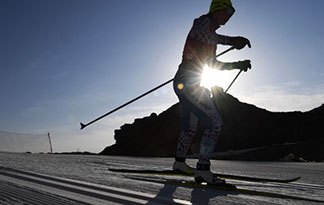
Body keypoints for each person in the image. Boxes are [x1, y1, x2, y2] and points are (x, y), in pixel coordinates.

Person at [172, 0, 252, 185]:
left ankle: (179, 163)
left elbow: (212, 64)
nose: (229, 16)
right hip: (188, 83)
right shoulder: (202, 22)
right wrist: (232, 40)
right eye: (228, 11)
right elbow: (203, 35)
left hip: (188, 83)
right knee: (215, 122)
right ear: (216, 9)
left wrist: (236, 65)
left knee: (190, 128)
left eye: (232, 13)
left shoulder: (211, 35)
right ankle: (202, 171)